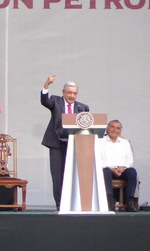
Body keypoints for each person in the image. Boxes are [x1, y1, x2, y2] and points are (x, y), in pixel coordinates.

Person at [40, 75, 89, 211]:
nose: (72, 96)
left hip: (74, 145)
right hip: (56, 144)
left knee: (73, 175)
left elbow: (87, 125)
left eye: (74, 93)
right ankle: (60, 205)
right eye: (69, 93)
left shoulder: (82, 107)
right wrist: (46, 84)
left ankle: (74, 204)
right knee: (58, 176)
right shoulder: (55, 101)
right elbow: (44, 101)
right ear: (63, 92)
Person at [100, 120, 138, 212]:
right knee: (106, 171)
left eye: (118, 128)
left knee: (132, 171)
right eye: (112, 127)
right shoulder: (100, 141)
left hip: (121, 170)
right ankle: (109, 202)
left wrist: (123, 167)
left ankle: (129, 202)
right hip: (108, 169)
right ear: (107, 129)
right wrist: (111, 168)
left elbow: (130, 160)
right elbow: (98, 160)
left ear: (120, 131)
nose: (115, 130)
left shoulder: (125, 142)